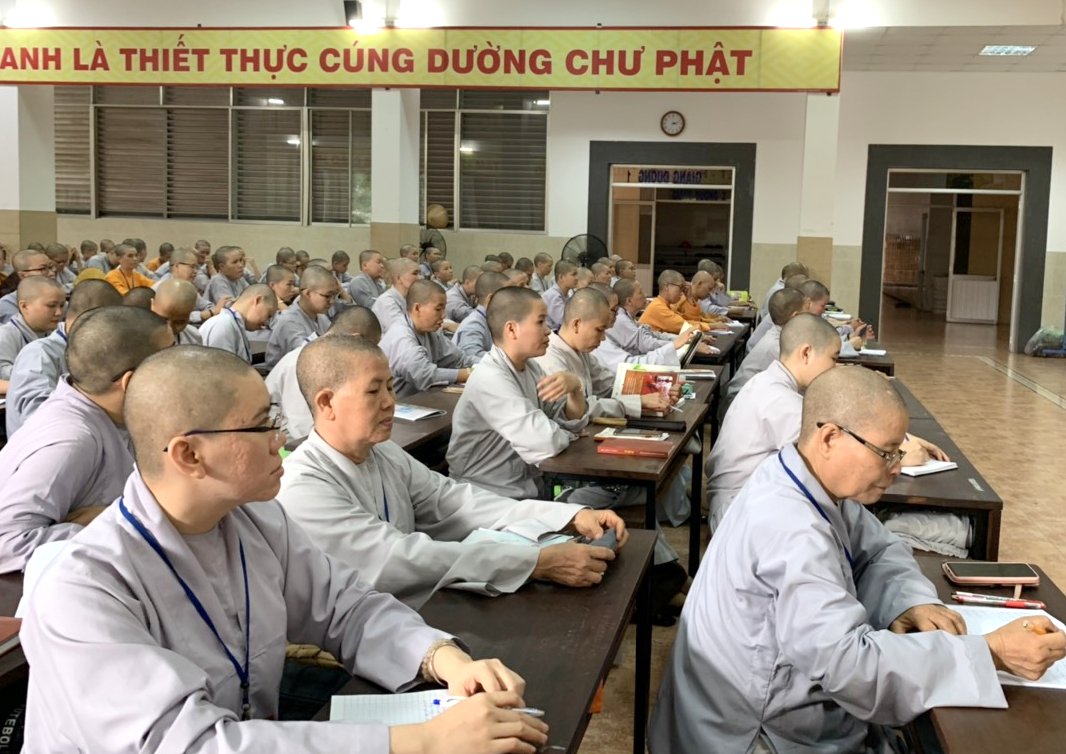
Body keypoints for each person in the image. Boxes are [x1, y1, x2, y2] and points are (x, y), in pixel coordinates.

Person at [20, 344, 550, 753]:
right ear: (189, 455)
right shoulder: (84, 587)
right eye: (263, 425)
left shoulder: (255, 519)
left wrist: (441, 659)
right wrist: (421, 740)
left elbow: (346, 607)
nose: (282, 440)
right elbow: (190, 745)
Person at [651, 365, 1066, 753]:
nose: (896, 468)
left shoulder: (804, 476)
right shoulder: (789, 527)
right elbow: (851, 667)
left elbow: (881, 548)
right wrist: (990, 652)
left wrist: (909, 601)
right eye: (887, 453)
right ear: (830, 438)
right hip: (750, 735)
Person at [277, 334, 628, 607]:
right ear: (326, 402)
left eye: (390, 387)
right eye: (373, 391)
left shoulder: (381, 453)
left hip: (404, 612)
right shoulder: (302, 486)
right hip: (349, 640)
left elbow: (454, 501)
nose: (389, 402)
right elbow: (397, 558)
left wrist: (568, 517)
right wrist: (533, 562)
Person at [0, 306, 174, 574]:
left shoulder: (112, 413)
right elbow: (8, 544)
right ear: (130, 381)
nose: (181, 372)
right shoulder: (72, 441)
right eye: (171, 362)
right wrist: (111, 521)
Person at [707, 314, 841, 529]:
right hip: (738, 510)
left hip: (741, 498)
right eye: (833, 358)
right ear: (806, 353)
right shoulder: (780, 400)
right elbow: (829, 457)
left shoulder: (768, 381)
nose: (834, 368)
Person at [5, 279, 122, 436]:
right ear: (92, 318)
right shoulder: (39, 354)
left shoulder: (88, 350)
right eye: (111, 324)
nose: (58, 312)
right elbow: (39, 419)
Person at [267, 307, 382, 441]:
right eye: (370, 347)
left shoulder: (333, 359)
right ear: (356, 339)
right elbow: (302, 429)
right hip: (283, 441)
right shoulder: (303, 362)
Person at [379, 280, 477, 397]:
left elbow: (459, 359)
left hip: (417, 400)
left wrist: (485, 365)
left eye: (444, 309)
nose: (443, 315)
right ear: (417, 308)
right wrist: (468, 373)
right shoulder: (401, 335)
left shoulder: (431, 332)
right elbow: (425, 375)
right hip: (396, 404)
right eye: (438, 309)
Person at [722, 287, 808, 412]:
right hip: (740, 403)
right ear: (795, 317)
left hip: (752, 398)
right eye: (808, 314)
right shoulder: (776, 346)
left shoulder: (780, 335)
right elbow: (803, 383)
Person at [588, 284, 681, 370]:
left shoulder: (623, 317)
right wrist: (673, 346)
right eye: (614, 309)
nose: (645, 295)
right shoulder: (619, 321)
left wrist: (675, 344)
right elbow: (628, 364)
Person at [0, 277, 65, 394]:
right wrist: (45, 370)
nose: (59, 312)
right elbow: (2, 372)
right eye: (51, 306)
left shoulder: (56, 332)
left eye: (62, 306)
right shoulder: (6, 335)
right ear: (24, 306)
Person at [266, 266, 338, 367]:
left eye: (334, 296)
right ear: (307, 293)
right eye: (327, 296)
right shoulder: (289, 321)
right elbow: (306, 355)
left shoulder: (321, 317)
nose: (332, 301)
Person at [200, 284, 278, 364]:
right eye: (268, 315)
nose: (266, 323)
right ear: (258, 300)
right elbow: (222, 369)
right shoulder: (223, 325)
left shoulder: (234, 324)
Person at [155, 247, 229, 326]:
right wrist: (207, 313)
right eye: (192, 267)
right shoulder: (160, 289)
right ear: (176, 266)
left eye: (196, 267)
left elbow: (206, 305)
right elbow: (173, 317)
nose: (195, 271)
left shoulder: (187, 286)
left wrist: (212, 310)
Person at [454, 270, 508, 362]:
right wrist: (509, 358)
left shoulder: (491, 319)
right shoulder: (473, 325)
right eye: (508, 296)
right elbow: (472, 358)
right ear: (490, 298)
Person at [0, 250, 57, 324]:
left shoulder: (57, 296)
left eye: (51, 267)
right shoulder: (8, 304)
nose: (51, 273)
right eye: (43, 269)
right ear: (23, 275)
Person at [371, 257, 421, 334]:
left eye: (420, 274)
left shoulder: (410, 298)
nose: (420, 278)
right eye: (415, 273)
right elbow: (400, 330)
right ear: (398, 278)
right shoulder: (386, 302)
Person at [151, 279, 204, 346]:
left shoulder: (193, 338)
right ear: (152, 304)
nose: (169, 328)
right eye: (162, 319)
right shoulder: (139, 336)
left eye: (178, 322)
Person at [540, 259, 578, 332]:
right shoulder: (552, 295)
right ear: (561, 277)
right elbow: (564, 321)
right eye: (573, 274)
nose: (577, 278)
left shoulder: (568, 294)